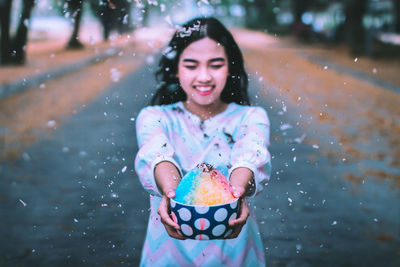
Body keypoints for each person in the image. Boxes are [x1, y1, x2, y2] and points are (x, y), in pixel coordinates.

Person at [134, 17, 271, 266]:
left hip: (235, 252)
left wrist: (235, 192)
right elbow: (156, 153)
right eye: (191, 65)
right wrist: (172, 194)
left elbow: (251, 153)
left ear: (230, 67)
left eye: (215, 65)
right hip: (167, 254)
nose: (204, 76)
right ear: (176, 69)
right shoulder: (155, 117)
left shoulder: (250, 117)